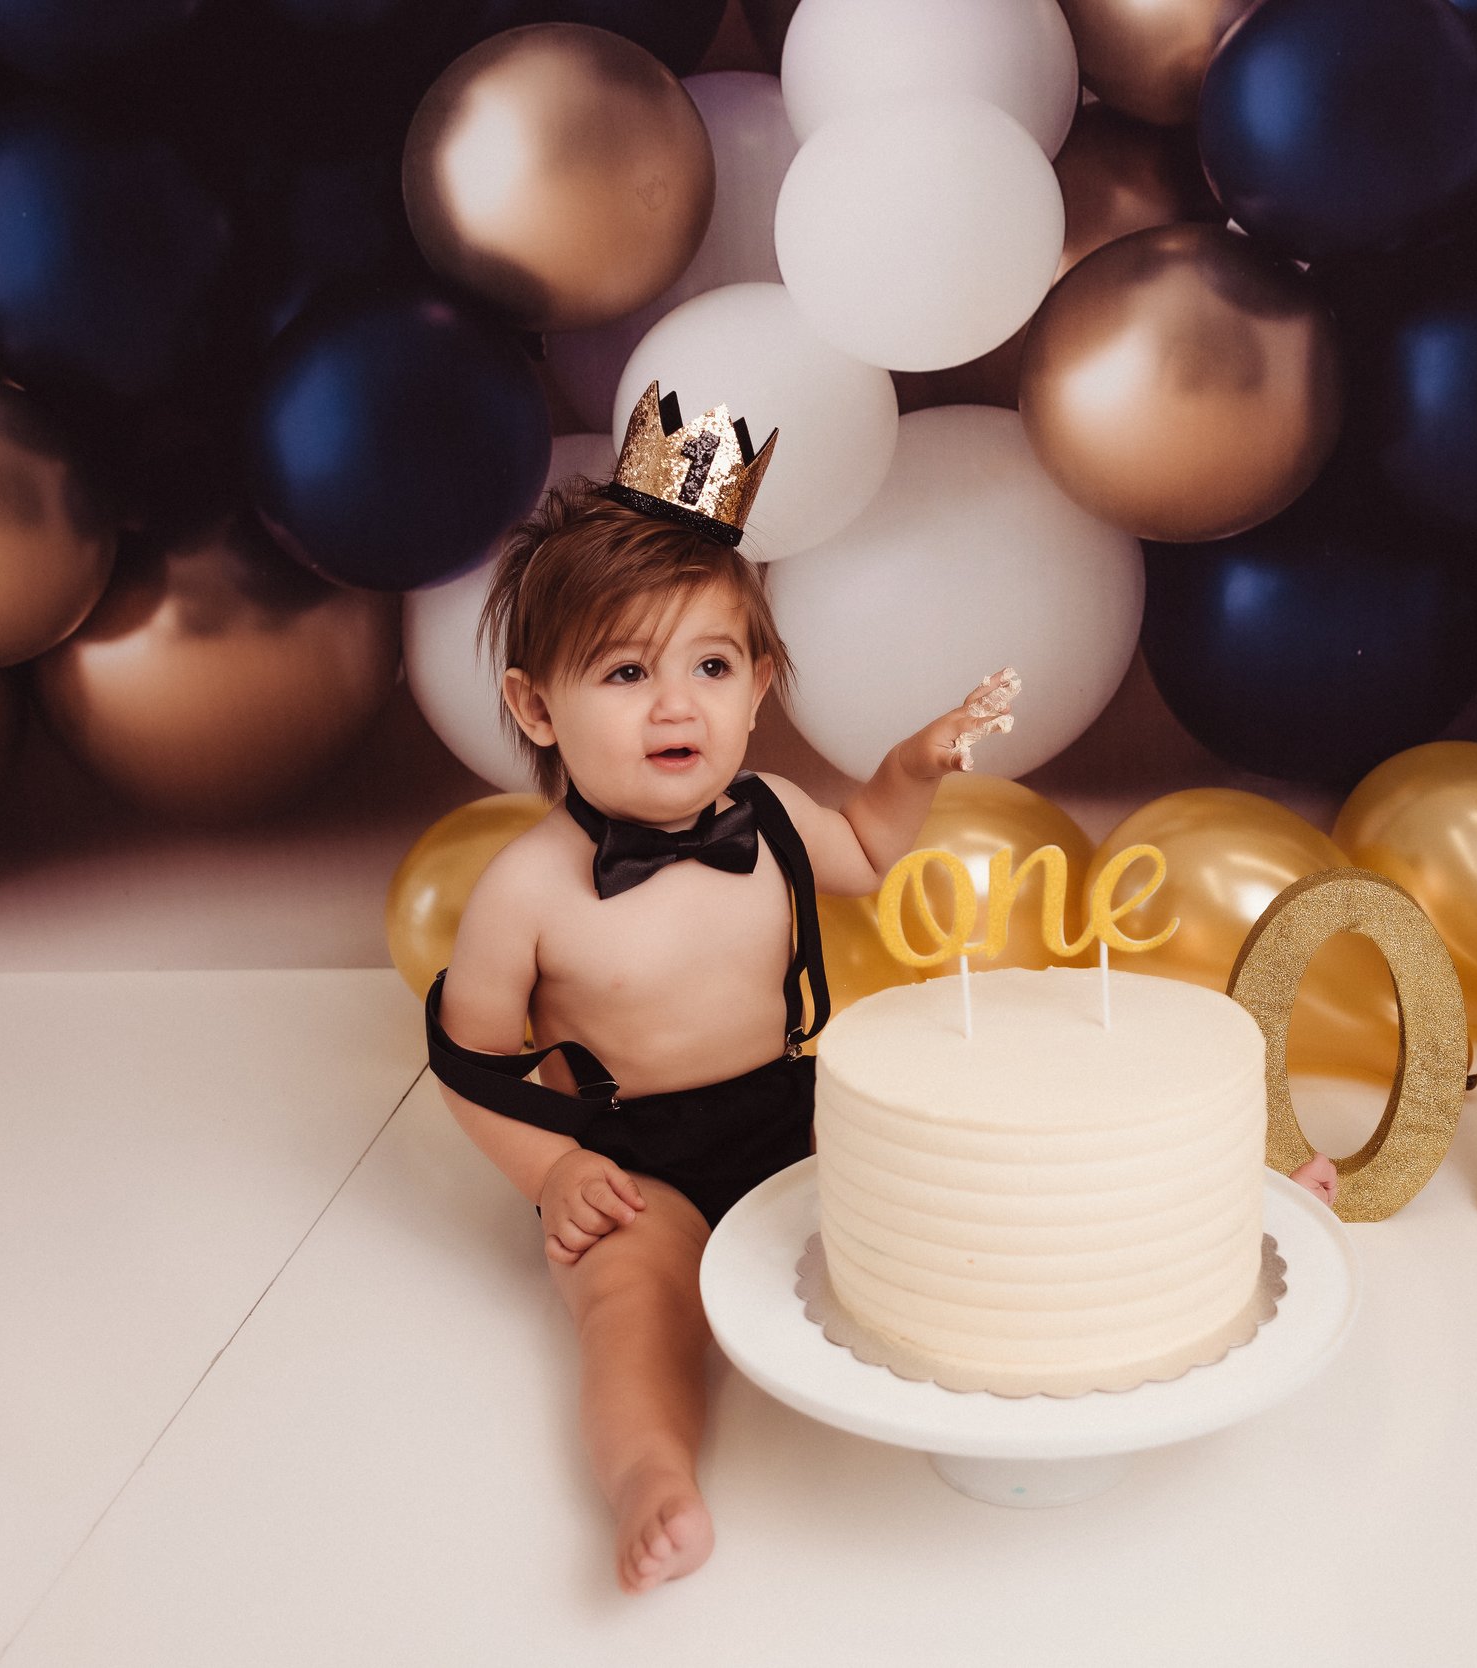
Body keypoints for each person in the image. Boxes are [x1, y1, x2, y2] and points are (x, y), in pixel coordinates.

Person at [427, 383, 1336, 1596]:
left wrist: (912, 766)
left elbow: (869, 852)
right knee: (634, 1312)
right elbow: (470, 1060)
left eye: (710, 662)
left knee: (974, 1159)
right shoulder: (527, 890)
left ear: (759, 687)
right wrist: (553, 1175)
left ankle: (1232, 1197)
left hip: (799, 1110)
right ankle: (652, 1475)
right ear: (536, 705)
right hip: (632, 1155)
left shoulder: (779, 816)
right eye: (625, 671)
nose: (676, 702)